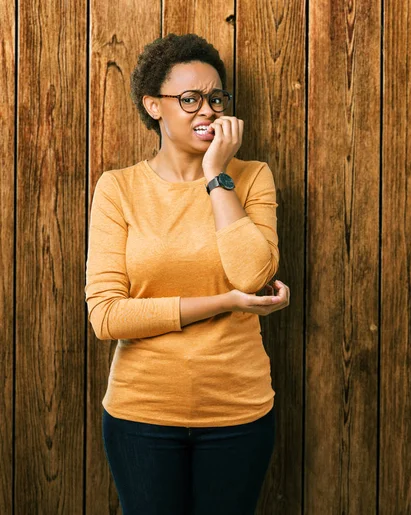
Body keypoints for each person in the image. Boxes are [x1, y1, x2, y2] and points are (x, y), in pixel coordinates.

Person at [84, 33, 290, 515]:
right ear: (153, 105)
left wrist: (218, 176)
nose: (208, 112)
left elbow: (251, 272)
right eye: (190, 99)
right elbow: (108, 317)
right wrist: (223, 303)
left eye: (215, 99)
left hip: (238, 410)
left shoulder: (252, 176)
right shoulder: (118, 189)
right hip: (142, 413)